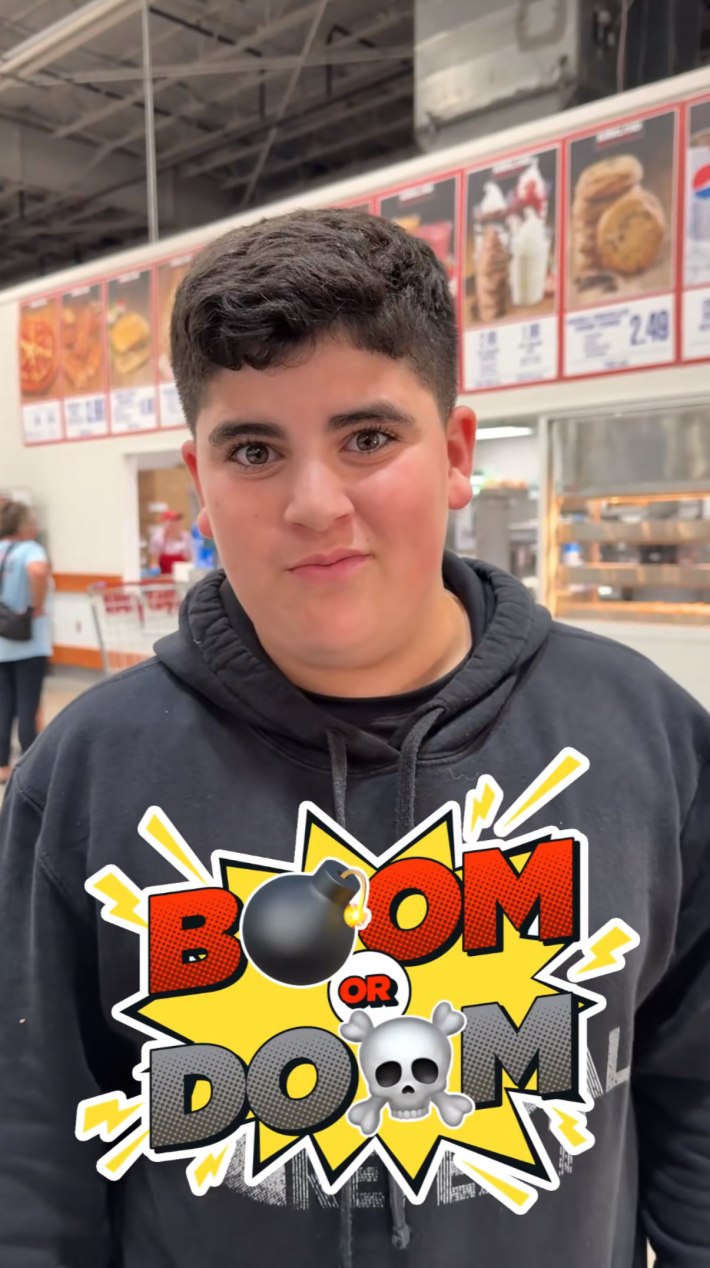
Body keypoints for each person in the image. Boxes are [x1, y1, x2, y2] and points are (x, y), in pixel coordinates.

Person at [0, 209, 708, 1268]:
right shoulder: (90, 773)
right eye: (253, 449)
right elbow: (35, 1155)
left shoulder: (644, 739)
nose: (314, 502)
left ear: (456, 453)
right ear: (201, 480)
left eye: (366, 438)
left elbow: (692, 1089)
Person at [0, 500, 51, 783]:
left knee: (4, 702)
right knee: (28, 703)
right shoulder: (30, 549)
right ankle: (30, 764)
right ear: (26, 526)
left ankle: (2, 765)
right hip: (28, 640)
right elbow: (37, 571)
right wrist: (37, 604)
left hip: (2, 640)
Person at [147, 508, 192, 575]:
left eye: (178, 520)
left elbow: (190, 560)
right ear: (166, 524)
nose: (177, 524)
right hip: (164, 579)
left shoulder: (186, 537)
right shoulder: (158, 539)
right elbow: (154, 562)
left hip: (182, 578)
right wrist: (155, 571)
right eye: (173, 521)